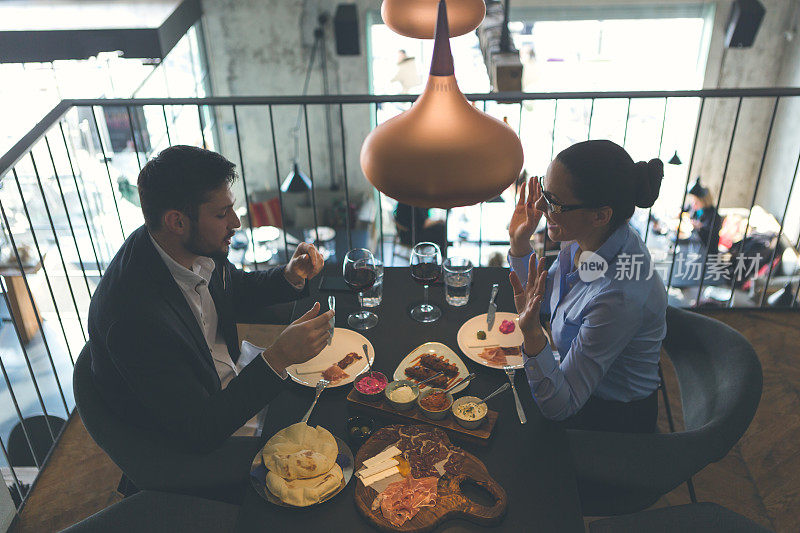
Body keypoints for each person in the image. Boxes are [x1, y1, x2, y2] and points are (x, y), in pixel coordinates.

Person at [88, 145, 330, 453]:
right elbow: (199, 430)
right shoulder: (135, 319)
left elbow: (234, 289)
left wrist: (289, 274)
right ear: (177, 221)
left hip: (229, 386)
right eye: (221, 213)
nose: (236, 223)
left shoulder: (185, 245)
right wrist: (278, 357)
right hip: (191, 446)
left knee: (324, 402)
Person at [507, 140, 667, 433]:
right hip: (570, 377)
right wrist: (519, 244)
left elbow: (560, 407)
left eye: (553, 201)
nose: (540, 206)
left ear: (600, 215)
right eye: (543, 191)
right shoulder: (587, 238)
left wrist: (531, 334)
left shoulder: (619, 295)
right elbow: (542, 302)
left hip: (611, 420)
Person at [685, 177, 722, 254]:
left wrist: (700, 227)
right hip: (693, 246)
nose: (693, 204)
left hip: (707, 251)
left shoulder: (714, 215)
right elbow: (684, 209)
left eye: (696, 202)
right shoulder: (695, 207)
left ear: (704, 201)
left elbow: (711, 236)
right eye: (693, 201)